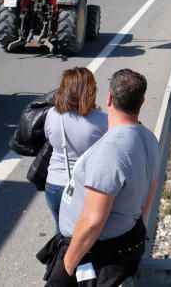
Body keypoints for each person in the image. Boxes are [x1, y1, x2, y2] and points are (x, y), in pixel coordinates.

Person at [43, 69, 159, 286]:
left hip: (96, 255)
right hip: (119, 245)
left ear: (109, 98)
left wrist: (65, 269)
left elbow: (92, 221)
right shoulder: (148, 138)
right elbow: (149, 197)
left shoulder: (109, 151)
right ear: (142, 101)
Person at [44, 68, 108, 228]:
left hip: (54, 185)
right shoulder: (103, 121)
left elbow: (48, 137)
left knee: (62, 234)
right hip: (84, 187)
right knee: (84, 237)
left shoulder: (52, 114)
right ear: (90, 91)